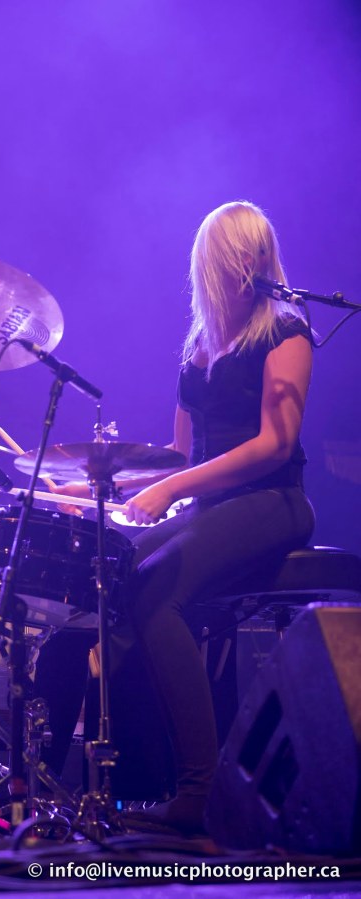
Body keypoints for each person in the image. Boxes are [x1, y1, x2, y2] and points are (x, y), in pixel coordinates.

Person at [53, 200, 315, 832]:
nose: (246, 263)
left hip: (274, 503)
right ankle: (110, 773)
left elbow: (275, 445)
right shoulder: (200, 349)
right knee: (119, 572)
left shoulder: (286, 329)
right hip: (213, 508)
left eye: (254, 251)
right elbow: (179, 455)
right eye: (234, 252)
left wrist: (172, 491)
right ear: (211, 262)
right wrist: (93, 485)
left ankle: (201, 793)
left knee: (155, 590)